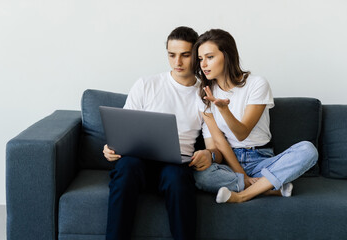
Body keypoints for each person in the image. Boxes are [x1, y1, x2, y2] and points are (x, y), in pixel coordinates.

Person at [102, 26, 222, 240]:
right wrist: (111, 148)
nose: (178, 62)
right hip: (137, 163)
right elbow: (123, 128)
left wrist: (209, 155)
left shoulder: (204, 95)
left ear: (196, 55)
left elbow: (214, 147)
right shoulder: (146, 85)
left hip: (176, 166)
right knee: (127, 167)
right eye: (171, 55)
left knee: (176, 178)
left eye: (185, 55)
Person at [191, 29, 319, 203]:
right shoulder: (204, 95)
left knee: (308, 150)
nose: (203, 64)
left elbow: (242, 133)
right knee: (200, 176)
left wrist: (224, 110)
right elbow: (219, 145)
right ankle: (270, 188)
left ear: (227, 56)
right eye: (200, 59)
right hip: (229, 163)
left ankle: (242, 195)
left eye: (210, 57)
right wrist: (240, 174)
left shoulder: (257, 84)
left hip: (262, 161)